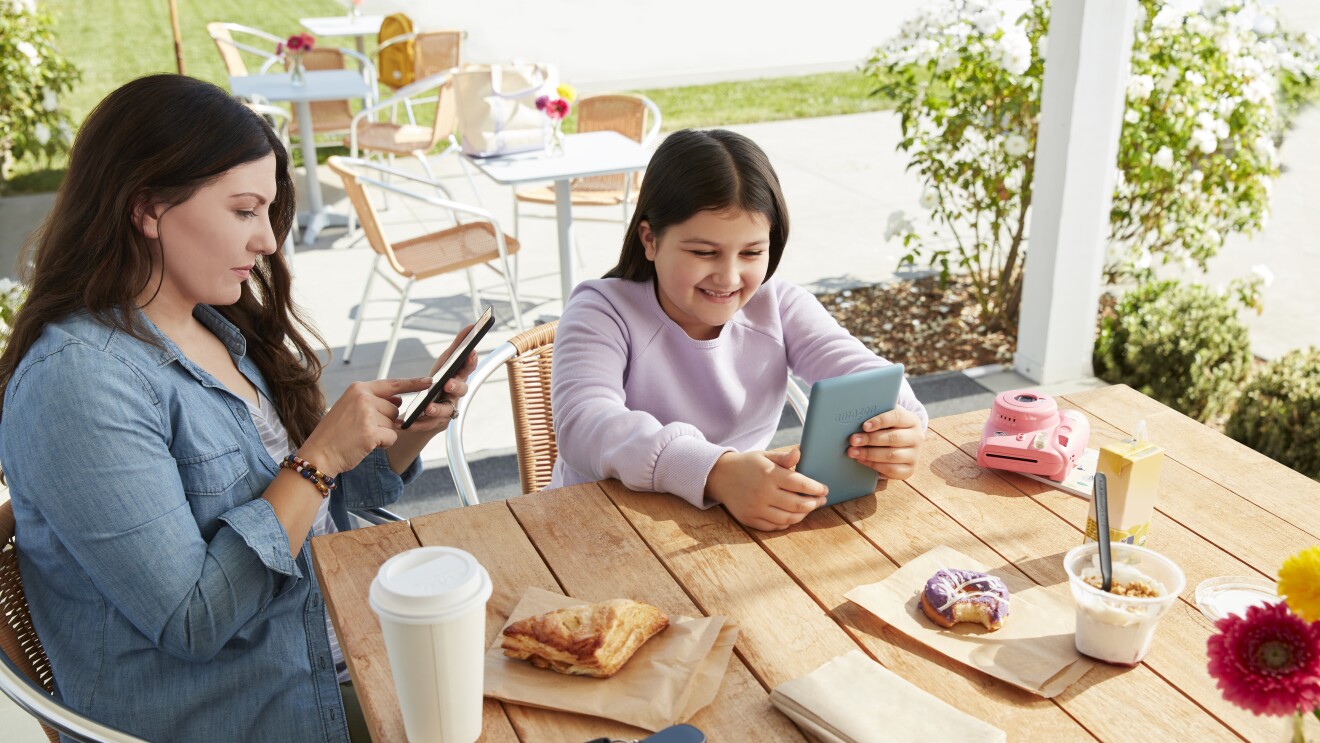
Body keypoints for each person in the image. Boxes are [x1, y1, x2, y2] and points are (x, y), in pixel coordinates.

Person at [0, 75, 473, 742]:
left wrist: (395, 436)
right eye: (244, 210)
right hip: (265, 711)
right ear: (148, 208)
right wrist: (317, 457)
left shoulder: (213, 328)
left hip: (332, 653)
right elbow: (193, 617)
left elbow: (298, 512)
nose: (268, 242)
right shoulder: (78, 384)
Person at [549, 128, 928, 532]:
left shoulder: (779, 303)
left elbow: (867, 374)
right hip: (600, 527)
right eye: (703, 252)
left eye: (751, 252)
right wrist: (716, 471)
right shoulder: (601, 309)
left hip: (728, 524)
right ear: (650, 240)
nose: (728, 277)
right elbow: (586, 424)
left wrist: (901, 427)